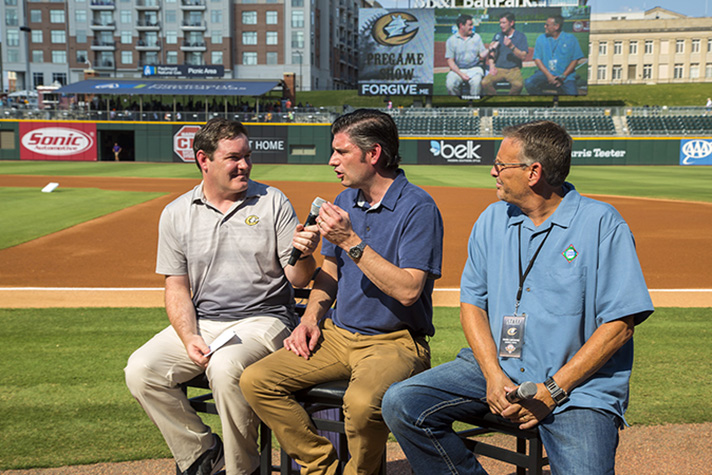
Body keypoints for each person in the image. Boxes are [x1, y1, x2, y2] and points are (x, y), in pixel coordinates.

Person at [382, 120, 654, 475]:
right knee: (402, 403)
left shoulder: (602, 223)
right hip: (499, 369)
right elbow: (472, 303)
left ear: (533, 172)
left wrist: (553, 391)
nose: (492, 171)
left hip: (578, 390)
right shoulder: (492, 219)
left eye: (501, 165)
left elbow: (619, 326)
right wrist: (493, 373)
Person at [241, 109, 444, 475]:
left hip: (394, 341)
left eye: (341, 152)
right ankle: (322, 467)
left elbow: (410, 290)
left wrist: (351, 241)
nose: (332, 161)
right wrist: (310, 319)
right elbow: (330, 272)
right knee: (257, 381)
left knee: (363, 403)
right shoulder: (345, 200)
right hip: (337, 335)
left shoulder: (419, 207)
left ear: (374, 154)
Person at [124, 118, 319, 475]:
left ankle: (241, 470)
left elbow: (297, 277)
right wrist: (189, 336)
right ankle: (203, 454)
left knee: (225, 367)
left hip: (265, 320)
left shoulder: (271, 201)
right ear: (203, 159)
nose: (244, 165)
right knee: (141, 370)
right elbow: (177, 286)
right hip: (206, 322)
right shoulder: (176, 213)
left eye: (247, 156)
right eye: (233, 157)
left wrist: (304, 253)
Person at [525, 15, 584, 96]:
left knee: (573, 95)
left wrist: (563, 76)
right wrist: (549, 76)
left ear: (556, 26)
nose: (544, 26)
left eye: (547, 25)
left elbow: (575, 59)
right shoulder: (541, 38)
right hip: (545, 74)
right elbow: (537, 59)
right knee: (529, 83)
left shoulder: (570, 38)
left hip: (565, 76)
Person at [481, 12, 529, 96]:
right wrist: (492, 66)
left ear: (511, 23)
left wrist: (511, 46)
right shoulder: (498, 36)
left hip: (514, 69)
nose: (501, 25)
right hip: (498, 68)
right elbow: (492, 53)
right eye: (500, 23)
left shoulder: (520, 36)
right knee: (485, 82)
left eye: (503, 23)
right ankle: (496, 101)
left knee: (518, 85)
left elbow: (523, 56)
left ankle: (508, 101)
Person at [445, 14, 489, 98]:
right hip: (458, 70)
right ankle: (457, 105)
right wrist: (461, 74)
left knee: (476, 83)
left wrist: (490, 48)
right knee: (450, 84)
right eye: (470, 25)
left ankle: (473, 106)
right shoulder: (451, 40)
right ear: (462, 25)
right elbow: (450, 61)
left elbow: (482, 55)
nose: (472, 27)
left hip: (475, 68)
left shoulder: (476, 37)